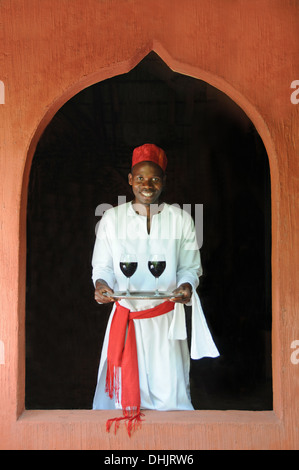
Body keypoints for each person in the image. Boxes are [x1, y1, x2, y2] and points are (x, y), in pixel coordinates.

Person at [92, 143, 219, 435]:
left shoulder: (181, 220)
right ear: (129, 179)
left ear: (164, 181)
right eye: (140, 178)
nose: (147, 185)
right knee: (119, 399)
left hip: (166, 322)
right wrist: (101, 286)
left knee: (169, 397)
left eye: (154, 179)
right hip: (126, 322)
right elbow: (103, 268)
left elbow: (190, 267)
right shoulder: (112, 219)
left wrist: (187, 285)